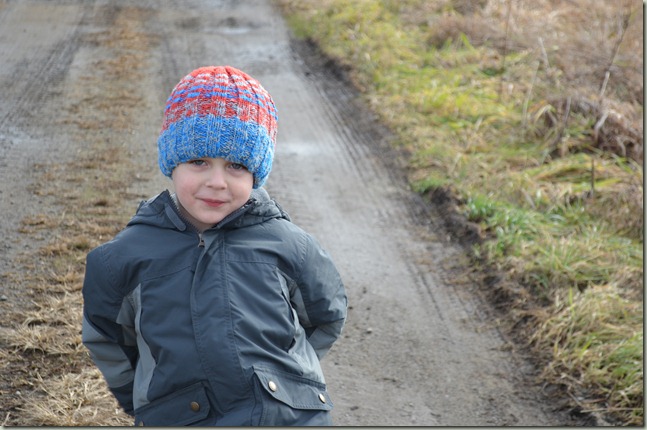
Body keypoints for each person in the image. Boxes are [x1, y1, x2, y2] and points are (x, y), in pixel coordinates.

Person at [81, 65, 348, 426]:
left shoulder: (291, 246)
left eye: (236, 165)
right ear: (172, 161)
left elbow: (325, 315)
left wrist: (289, 379)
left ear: (256, 173)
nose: (217, 182)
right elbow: (109, 339)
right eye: (199, 161)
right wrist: (149, 400)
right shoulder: (122, 259)